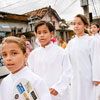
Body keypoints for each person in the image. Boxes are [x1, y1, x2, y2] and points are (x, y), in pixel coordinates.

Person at [27, 21, 71, 100]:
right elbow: (30, 73)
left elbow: (67, 72)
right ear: (36, 35)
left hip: (58, 94)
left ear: (51, 33)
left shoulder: (61, 52)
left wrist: (58, 87)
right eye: (39, 33)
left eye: (45, 32)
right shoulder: (33, 54)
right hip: (40, 93)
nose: (42, 35)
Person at [65, 14, 100, 100]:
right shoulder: (71, 43)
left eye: (79, 23)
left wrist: (96, 77)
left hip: (88, 77)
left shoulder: (91, 41)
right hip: (74, 77)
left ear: (85, 25)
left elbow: (96, 59)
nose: (76, 26)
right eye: (74, 24)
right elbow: (65, 60)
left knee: (88, 96)